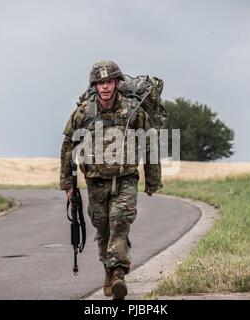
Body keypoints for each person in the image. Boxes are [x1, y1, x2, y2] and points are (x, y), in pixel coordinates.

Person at [59, 60, 162, 299]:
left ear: (116, 83)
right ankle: (109, 270)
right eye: (100, 82)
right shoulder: (84, 112)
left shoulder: (133, 110)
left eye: (108, 82)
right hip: (96, 182)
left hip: (126, 179)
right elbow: (68, 146)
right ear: (94, 85)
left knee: (120, 222)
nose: (105, 87)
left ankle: (118, 273)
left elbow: (149, 143)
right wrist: (67, 183)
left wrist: (152, 179)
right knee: (102, 228)